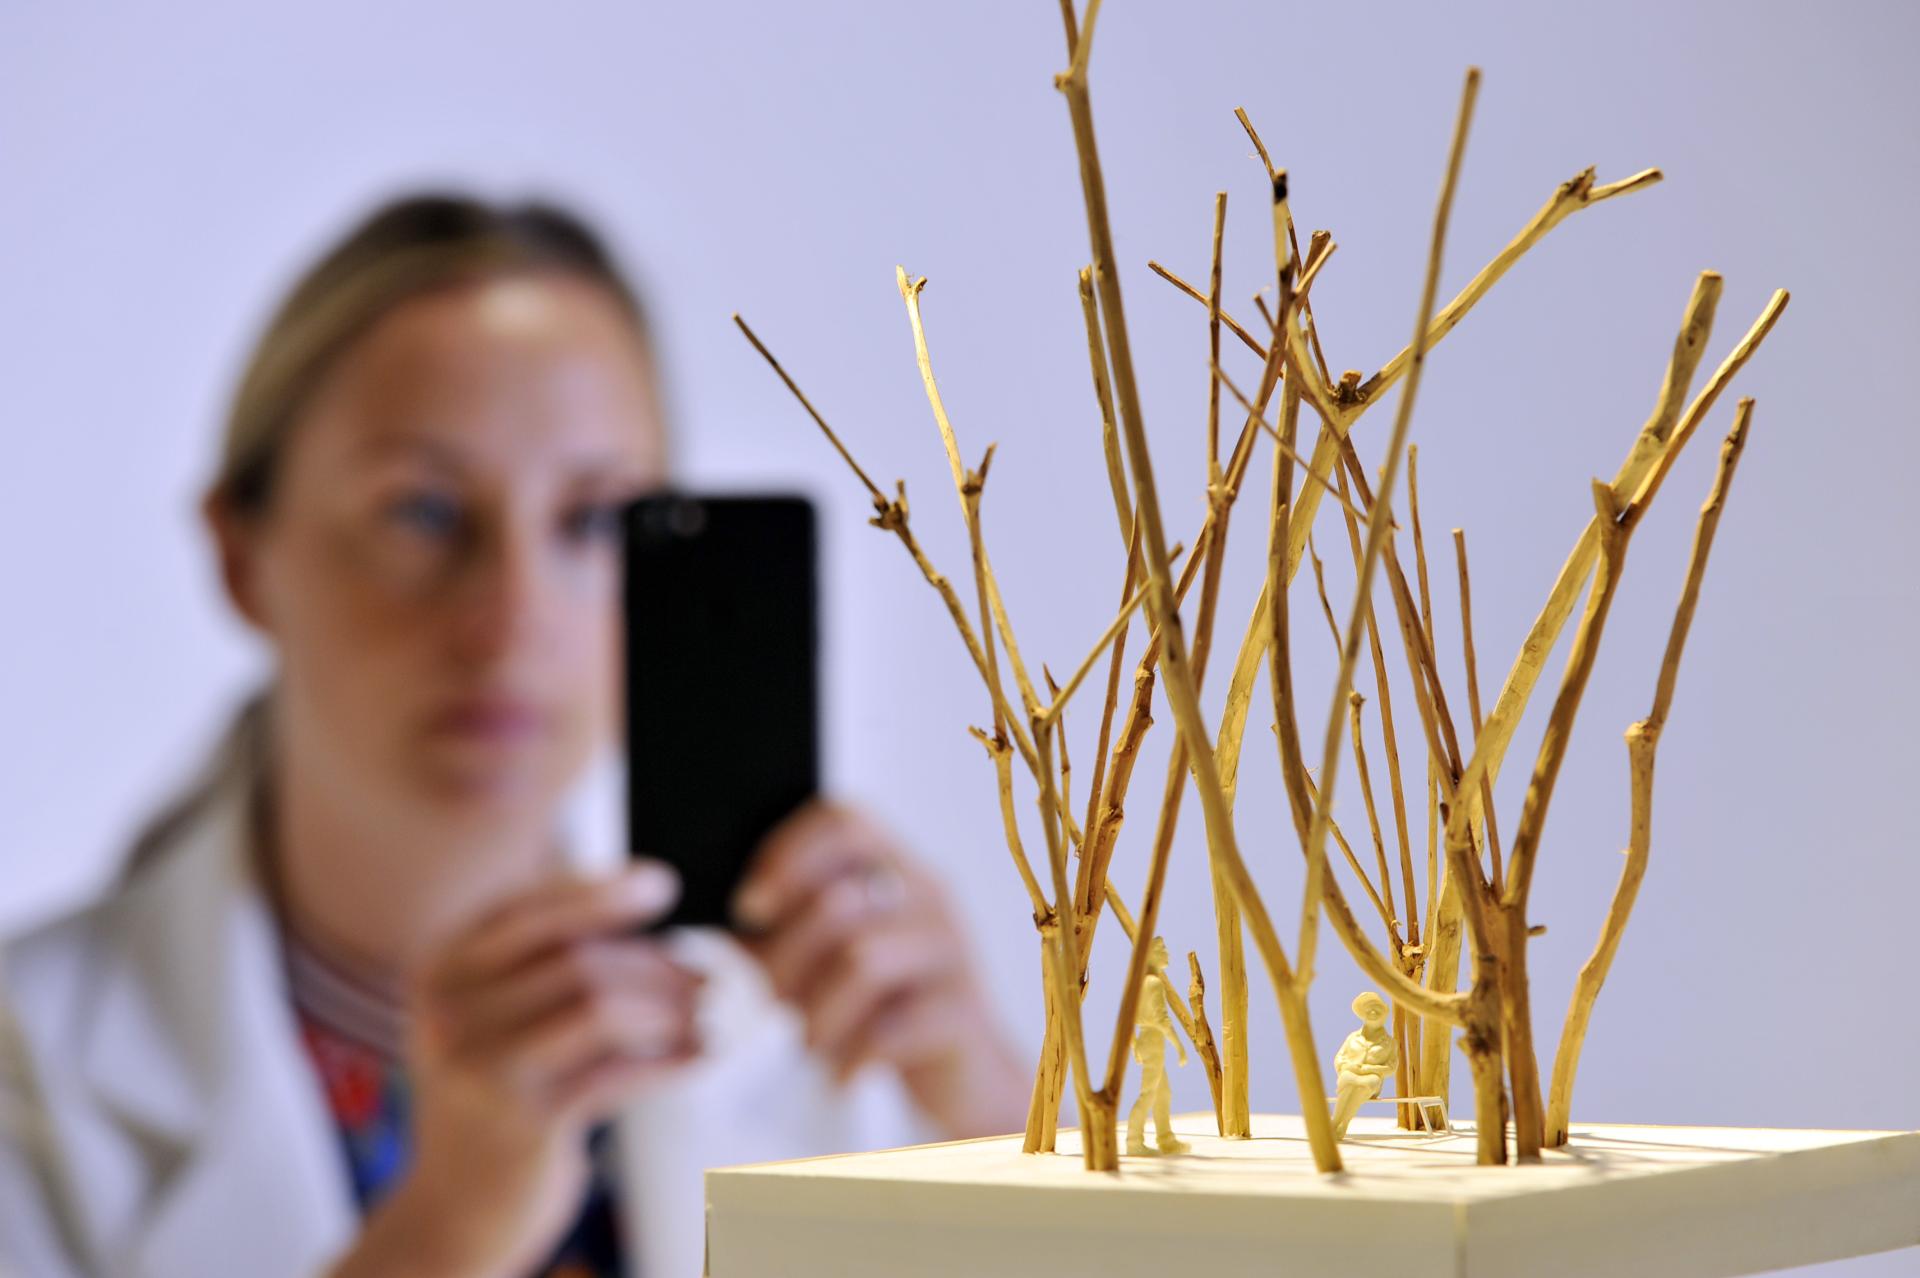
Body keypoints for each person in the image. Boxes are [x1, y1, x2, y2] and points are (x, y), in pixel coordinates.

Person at [0, 195, 1027, 1278]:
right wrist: (451, 1227)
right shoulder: (32, 1072)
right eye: (425, 512)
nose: (511, 620)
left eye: (592, 520)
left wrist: (1015, 1136)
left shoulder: (824, 1036)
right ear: (241, 556)